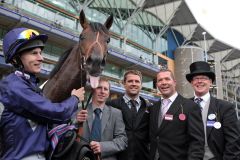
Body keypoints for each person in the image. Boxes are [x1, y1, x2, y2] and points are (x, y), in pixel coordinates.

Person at [0, 28, 85, 160]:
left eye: (40, 53)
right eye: (34, 53)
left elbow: (46, 122)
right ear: (16, 58)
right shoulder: (14, 85)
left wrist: (74, 120)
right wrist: (74, 99)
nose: (41, 58)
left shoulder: (29, 85)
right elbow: (53, 112)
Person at [186, 61, 240, 160]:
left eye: (203, 78)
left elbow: (233, 141)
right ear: (191, 82)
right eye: (196, 78)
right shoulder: (183, 106)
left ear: (211, 82)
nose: (199, 81)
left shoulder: (225, 107)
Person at [149, 69, 204, 160]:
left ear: (174, 82)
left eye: (167, 79)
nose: (163, 82)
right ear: (157, 85)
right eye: (160, 80)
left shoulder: (190, 107)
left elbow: (197, 142)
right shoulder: (153, 108)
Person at [76, 77, 127, 160]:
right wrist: (76, 123)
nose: (102, 91)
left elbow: (122, 141)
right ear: (93, 90)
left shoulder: (116, 113)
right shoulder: (79, 111)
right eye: (99, 88)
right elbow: (68, 135)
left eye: (106, 89)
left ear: (108, 93)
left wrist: (102, 147)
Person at [106, 70, 150, 160]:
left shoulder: (149, 107)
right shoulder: (111, 105)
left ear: (141, 85)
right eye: (130, 81)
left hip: (144, 156)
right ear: (124, 84)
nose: (134, 84)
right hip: (119, 156)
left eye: (137, 81)